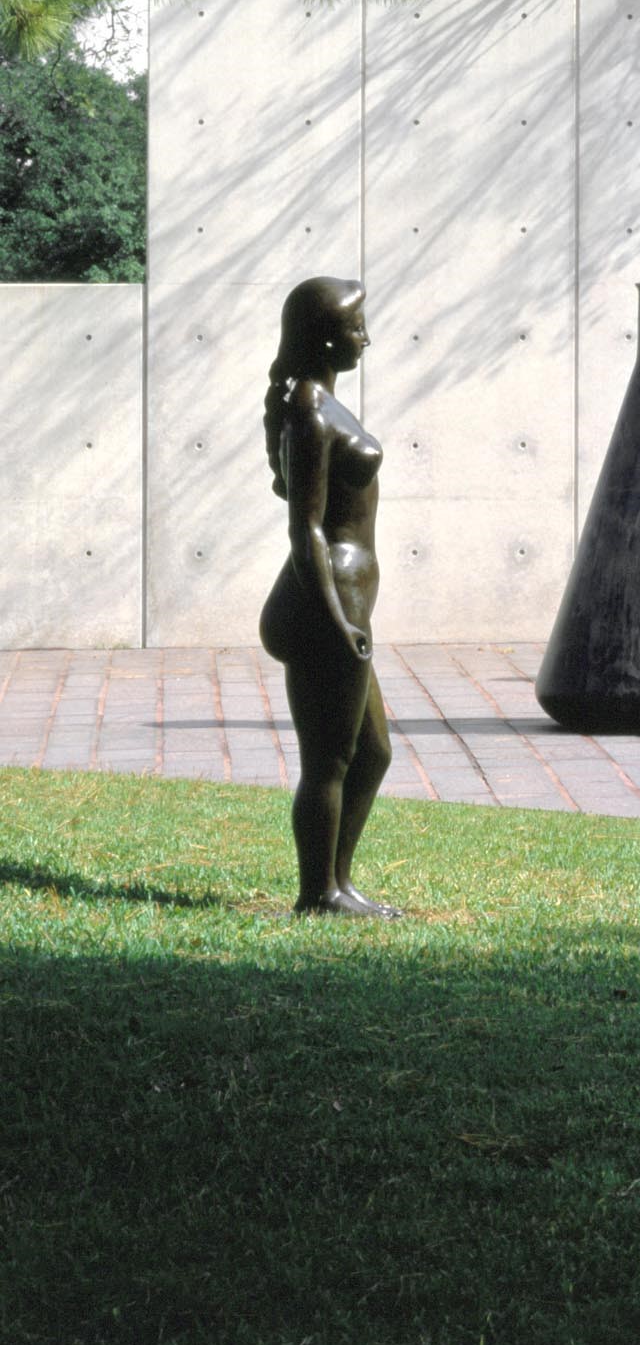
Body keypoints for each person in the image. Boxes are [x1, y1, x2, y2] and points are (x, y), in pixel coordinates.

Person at [258, 276, 401, 918]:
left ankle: (339, 884)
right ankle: (317, 894)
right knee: (329, 759)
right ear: (322, 338)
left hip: (348, 598)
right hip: (327, 602)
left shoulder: (323, 403)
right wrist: (337, 618)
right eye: (355, 327)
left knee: (371, 752)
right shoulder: (309, 412)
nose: (365, 337)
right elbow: (305, 527)